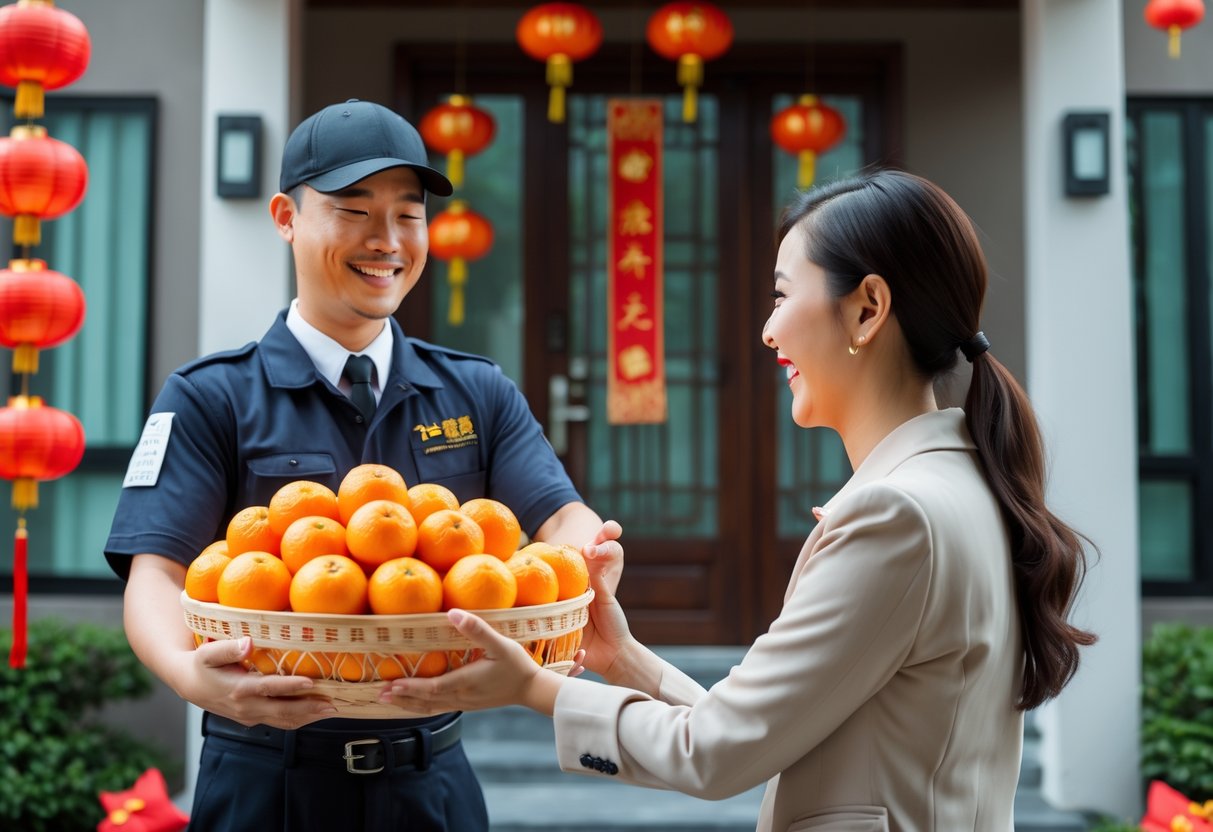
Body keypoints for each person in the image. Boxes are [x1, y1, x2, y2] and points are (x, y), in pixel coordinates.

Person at [381, 169, 1098, 832]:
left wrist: (533, 687)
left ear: (867, 309)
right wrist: (624, 658)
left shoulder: (897, 517)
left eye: (783, 296)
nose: (767, 330)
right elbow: (763, 730)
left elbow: (713, 755)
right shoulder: (957, 485)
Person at [104, 99, 612, 831]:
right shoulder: (210, 395)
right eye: (352, 210)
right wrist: (190, 676)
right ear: (285, 216)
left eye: (408, 214)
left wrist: (586, 558)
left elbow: (562, 519)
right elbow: (157, 572)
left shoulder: (475, 389)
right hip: (266, 784)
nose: (387, 240)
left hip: (430, 780)